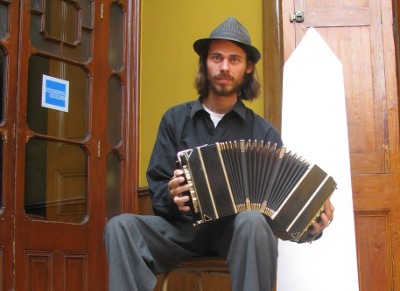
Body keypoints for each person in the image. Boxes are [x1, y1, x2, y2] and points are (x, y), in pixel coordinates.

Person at [104, 17, 335, 291]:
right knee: (120, 226)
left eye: (234, 59)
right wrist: (172, 195)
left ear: (248, 67)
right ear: (205, 62)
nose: (224, 67)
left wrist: (312, 227)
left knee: (251, 220)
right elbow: (158, 190)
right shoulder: (174, 120)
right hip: (181, 232)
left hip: (235, 233)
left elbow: (278, 210)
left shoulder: (263, 132)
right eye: (216, 57)